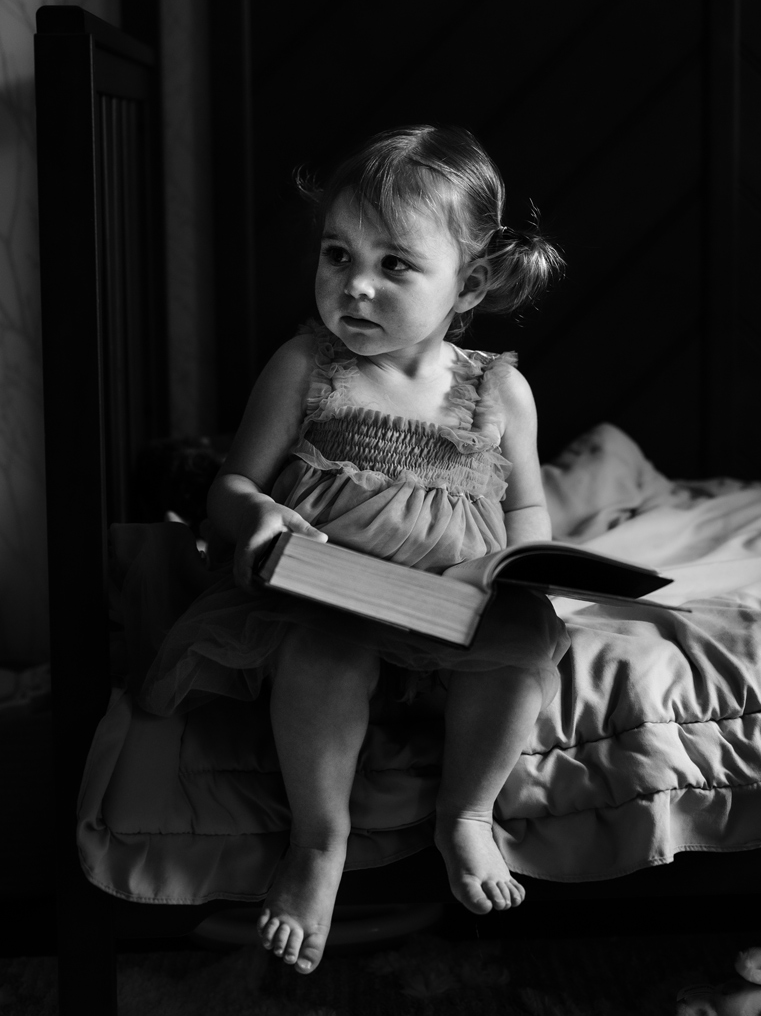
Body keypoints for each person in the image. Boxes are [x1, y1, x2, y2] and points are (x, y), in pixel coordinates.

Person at [139, 124, 567, 975]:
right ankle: (319, 843)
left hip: (449, 608)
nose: (355, 286)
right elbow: (230, 486)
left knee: (523, 645)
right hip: (326, 598)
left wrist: (510, 569)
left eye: (395, 266)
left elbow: (528, 510)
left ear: (470, 280)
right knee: (323, 652)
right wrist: (257, 517)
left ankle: (467, 816)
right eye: (338, 255)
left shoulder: (498, 390)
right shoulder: (306, 366)